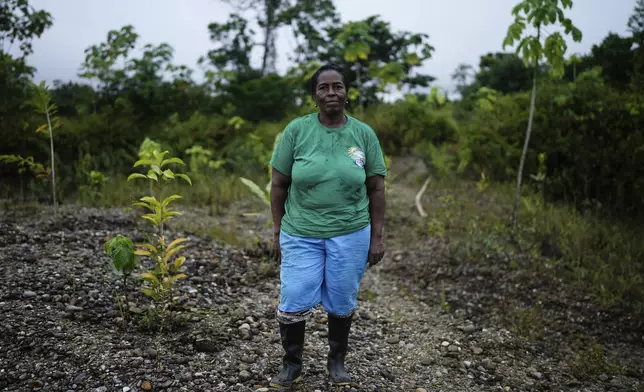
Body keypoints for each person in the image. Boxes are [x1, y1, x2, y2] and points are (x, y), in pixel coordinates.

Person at [267, 63, 387, 390]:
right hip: (300, 231)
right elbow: (278, 185)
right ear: (314, 96)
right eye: (323, 88)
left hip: (351, 232)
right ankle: (291, 365)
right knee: (293, 295)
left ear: (347, 93)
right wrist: (277, 232)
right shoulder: (297, 131)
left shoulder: (363, 134)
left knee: (342, 297)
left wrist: (376, 238)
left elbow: (376, 188)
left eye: (337, 87)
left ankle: (337, 362)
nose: (331, 93)